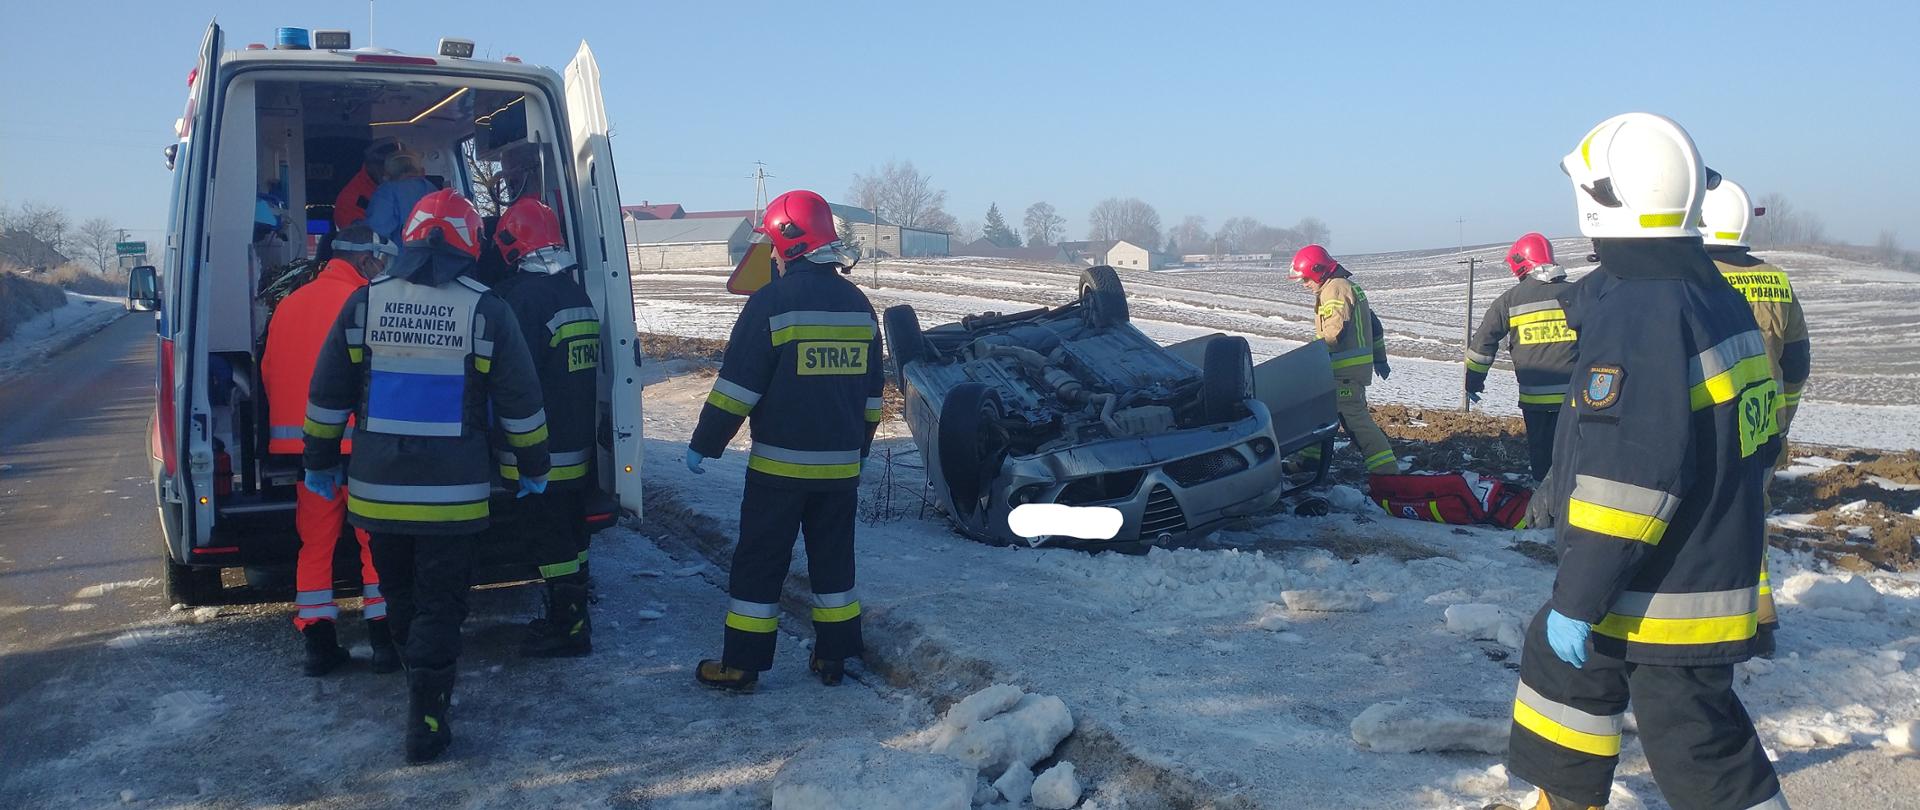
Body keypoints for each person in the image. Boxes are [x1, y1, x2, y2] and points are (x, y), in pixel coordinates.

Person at [1492, 113, 1787, 810]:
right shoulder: (1711, 295)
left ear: (1602, 198)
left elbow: (1629, 480)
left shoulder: (1645, 315)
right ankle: (1563, 799)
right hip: (1697, 559)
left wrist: (1579, 596)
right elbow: (1763, 436)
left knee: (1693, 740)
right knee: (1565, 669)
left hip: (1667, 588)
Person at [303, 189, 550, 764]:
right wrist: (532, 467)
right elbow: (521, 403)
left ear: (409, 239)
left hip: (378, 494)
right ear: (471, 244)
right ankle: (428, 713)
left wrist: (318, 462)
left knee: (402, 596)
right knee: (442, 604)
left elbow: (327, 393)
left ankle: (422, 687)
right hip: (453, 500)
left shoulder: (365, 303)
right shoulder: (487, 309)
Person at [685, 189, 881, 692]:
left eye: (772, 242)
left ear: (789, 242)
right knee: (835, 565)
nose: (771, 252)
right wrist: (857, 449)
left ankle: (742, 665)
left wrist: (705, 443)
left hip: (779, 473)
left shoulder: (771, 304)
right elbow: (873, 397)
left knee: (759, 564)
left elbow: (736, 391)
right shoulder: (860, 307)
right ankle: (834, 658)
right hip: (840, 473)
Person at [262, 225, 400, 676]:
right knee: (374, 543)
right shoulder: (367, 304)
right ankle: (384, 643)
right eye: (379, 260)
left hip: (308, 450)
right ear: (364, 260)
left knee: (315, 544)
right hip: (363, 444)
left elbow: (269, 370)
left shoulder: (289, 304)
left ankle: (318, 646)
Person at [1702, 177, 1811, 658]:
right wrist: (1782, 416)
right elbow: (1798, 360)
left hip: (1709, 422)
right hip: (1763, 422)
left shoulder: (1695, 277)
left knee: (1701, 520)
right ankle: (1760, 620)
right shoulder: (1776, 280)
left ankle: (1711, 621)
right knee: (1751, 517)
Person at [490, 197, 601, 658]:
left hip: (536, 451)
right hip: (577, 447)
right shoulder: (576, 293)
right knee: (573, 537)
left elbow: (509, 381)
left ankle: (569, 629)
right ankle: (573, 609)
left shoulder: (517, 300)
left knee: (549, 539)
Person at [1465, 233, 1580, 481]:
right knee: (1576, 459)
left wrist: (1473, 382)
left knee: (1542, 459)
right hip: (1577, 399)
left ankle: (1544, 507)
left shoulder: (1509, 301)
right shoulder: (1580, 294)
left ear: (1521, 262)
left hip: (1535, 401)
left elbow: (1482, 343)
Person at [1292, 244, 1402, 475]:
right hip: (1341, 371)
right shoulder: (1348, 286)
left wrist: (1311, 357)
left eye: (1306, 279)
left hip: (1344, 374)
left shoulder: (1335, 289)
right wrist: (1380, 359)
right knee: (1316, 413)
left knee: (1355, 422)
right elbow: (1375, 327)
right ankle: (1310, 461)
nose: (1305, 285)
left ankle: (1387, 473)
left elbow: (1334, 332)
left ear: (1318, 270)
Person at [363, 150, 438, 244]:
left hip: (402, 256)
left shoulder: (386, 192)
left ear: (386, 175)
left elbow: (376, 234)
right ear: (422, 171)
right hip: (435, 256)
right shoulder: (433, 189)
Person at [333, 140, 399, 230]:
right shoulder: (350, 199)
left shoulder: (411, 185)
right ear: (369, 165)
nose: (388, 170)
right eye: (381, 165)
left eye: (395, 166)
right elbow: (360, 238)